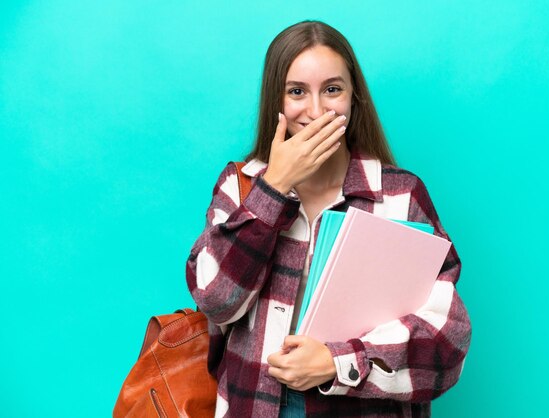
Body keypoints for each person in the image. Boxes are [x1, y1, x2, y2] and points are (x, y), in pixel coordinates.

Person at [186, 20, 471, 418]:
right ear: (277, 102)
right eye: (297, 91)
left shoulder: (400, 195)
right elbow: (216, 302)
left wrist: (338, 361)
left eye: (332, 90)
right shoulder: (241, 187)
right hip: (257, 405)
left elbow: (446, 341)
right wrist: (275, 186)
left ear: (355, 100)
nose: (316, 111)